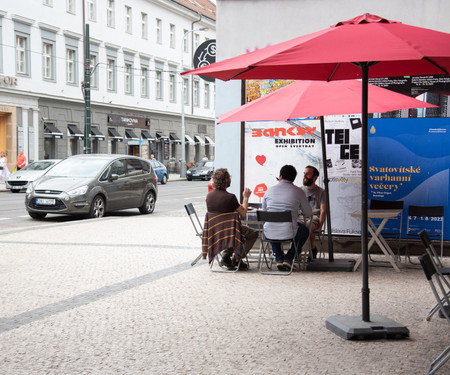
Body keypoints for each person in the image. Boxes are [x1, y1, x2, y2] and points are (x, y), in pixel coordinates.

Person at [206, 168, 259, 270]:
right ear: (226, 179)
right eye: (229, 177)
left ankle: (226, 257)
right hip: (229, 231)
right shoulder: (230, 197)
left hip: (215, 231)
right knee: (252, 233)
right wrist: (246, 197)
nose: (230, 179)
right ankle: (237, 258)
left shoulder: (209, 196)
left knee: (233, 230)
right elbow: (243, 214)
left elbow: (220, 213)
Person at [262, 165, 312, 271]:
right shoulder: (298, 191)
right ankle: (289, 259)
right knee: (305, 231)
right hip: (290, 231)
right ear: (293, 179)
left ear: (280, 177)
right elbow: (308, 213)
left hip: (269, 232)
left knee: (271, 226)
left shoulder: (268, 191)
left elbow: (265, 212)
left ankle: (279, 258)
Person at [300, 165, 326, 259]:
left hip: (313, 217)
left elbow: (323, 210)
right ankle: (296, 251)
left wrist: (320, 225)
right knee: (295, 225)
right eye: (304, 173)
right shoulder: (299, 190)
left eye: (308, 174)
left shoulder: (321, 192)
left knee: (308, 225)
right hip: (300, 216)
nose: (305, 176)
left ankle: (312, 248)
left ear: (315, 177)